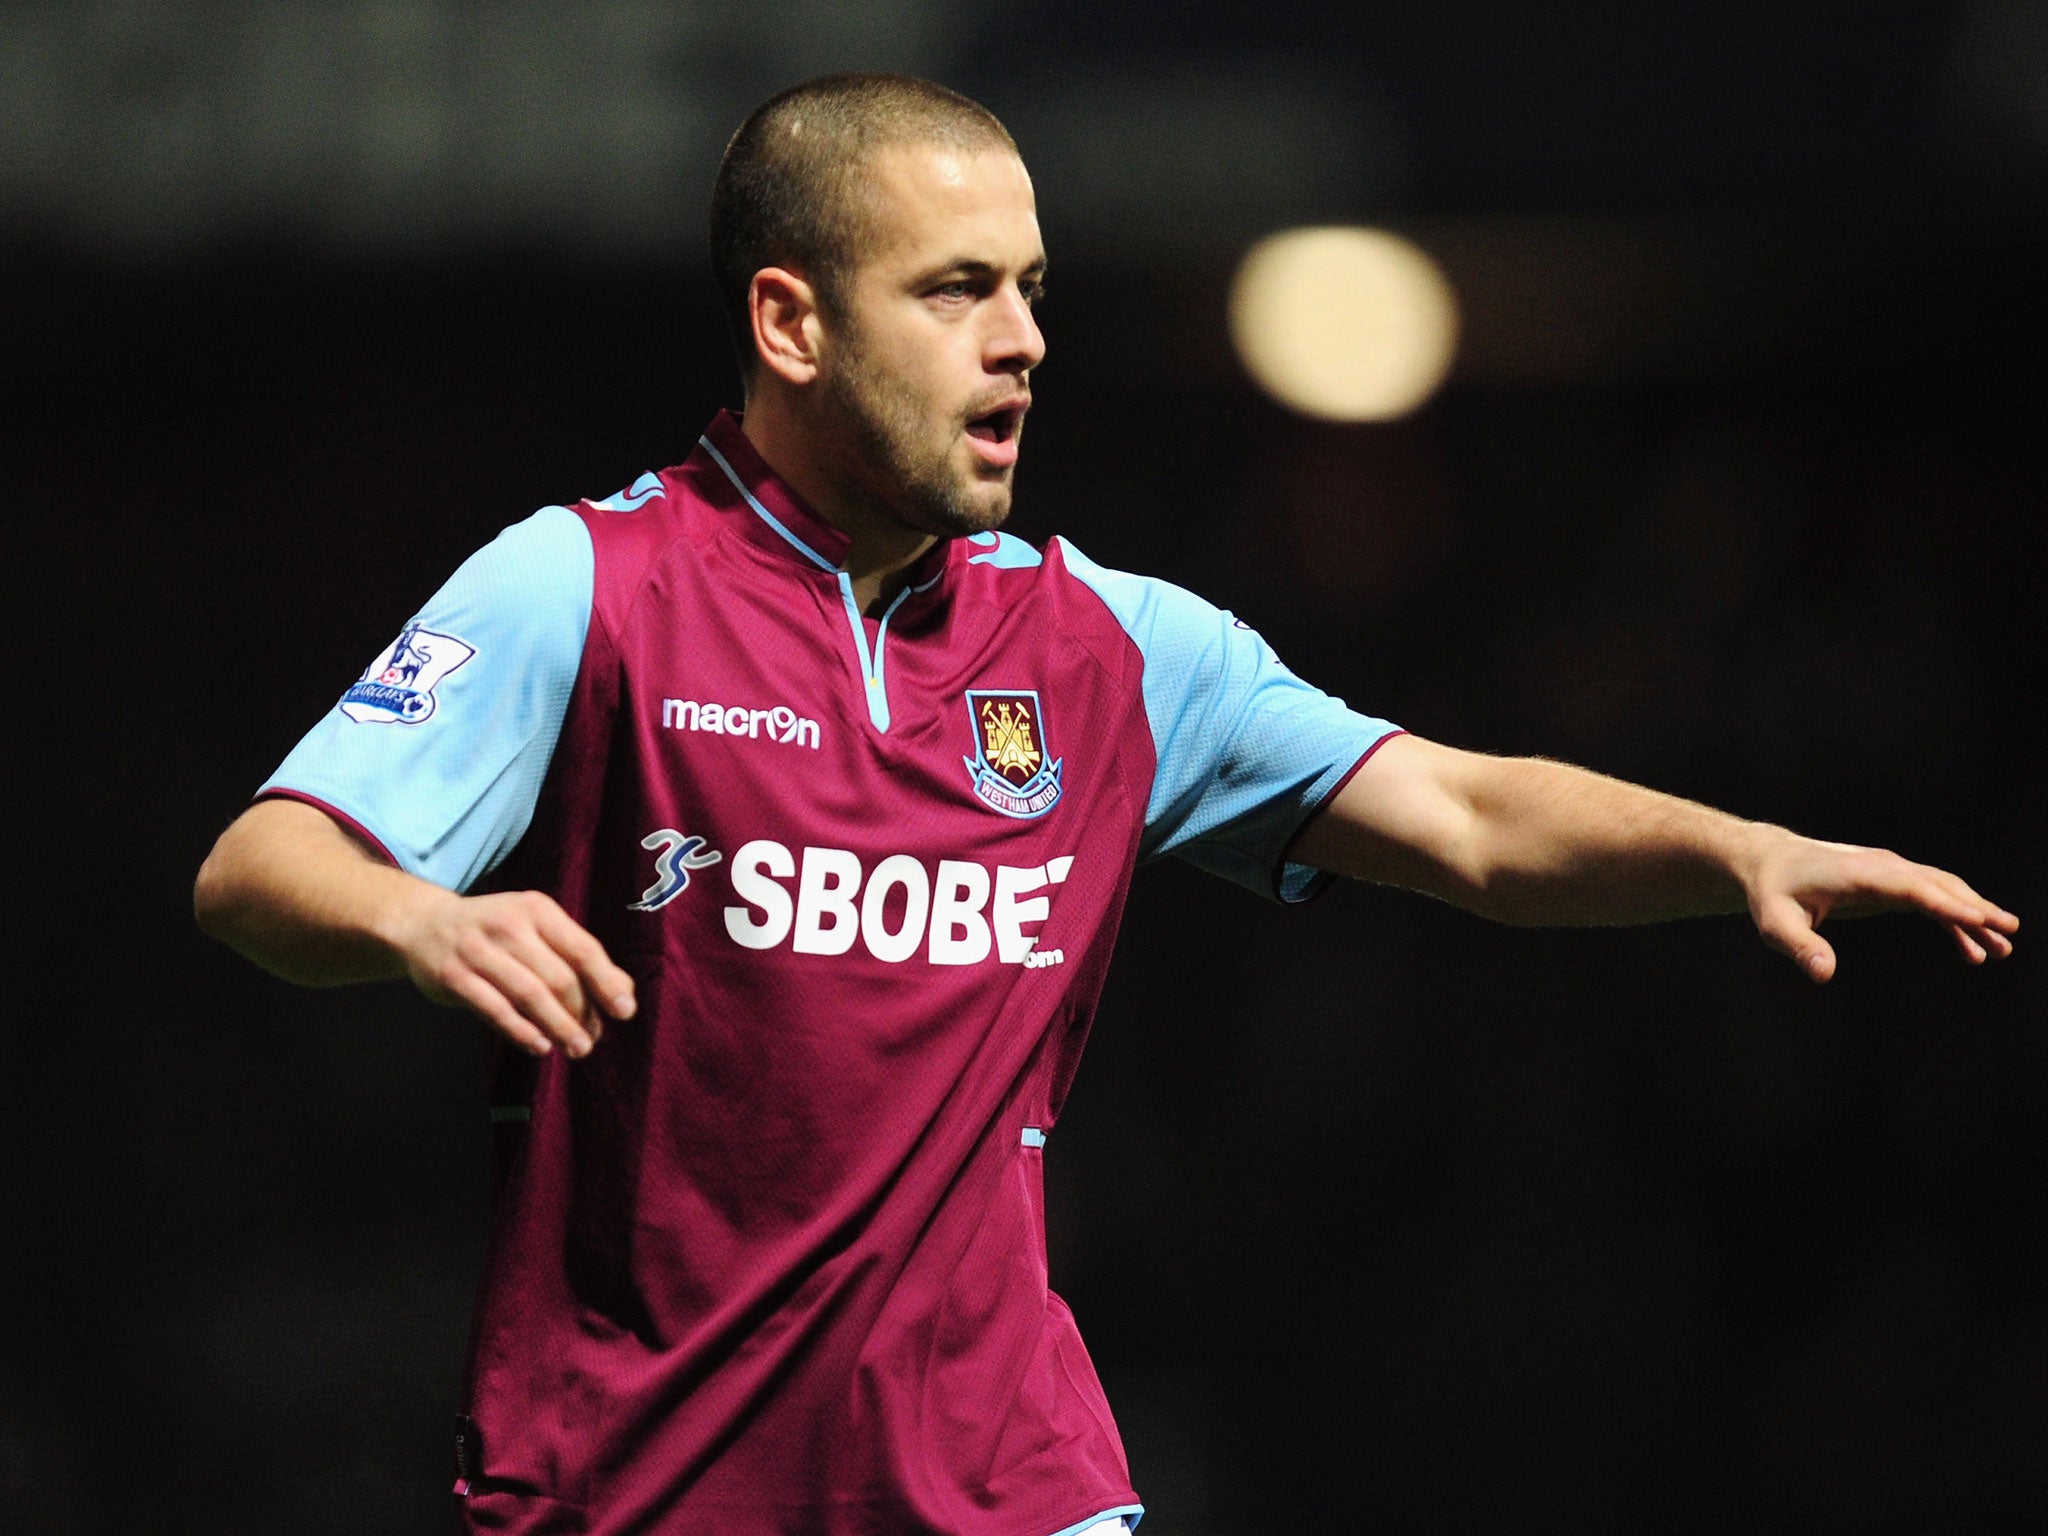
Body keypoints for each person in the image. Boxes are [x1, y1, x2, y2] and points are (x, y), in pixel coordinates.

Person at [193, 73, 2016, 1536]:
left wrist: (1734, 851)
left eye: (1035, 291)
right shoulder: (582, 590)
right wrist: (418, 913)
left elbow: (1463, 818)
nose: (1024, 344)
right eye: (957, 290)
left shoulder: (1111, 652)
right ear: (791, 321)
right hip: (634, 1486)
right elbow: (260, 868)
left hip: (1014, 1490)